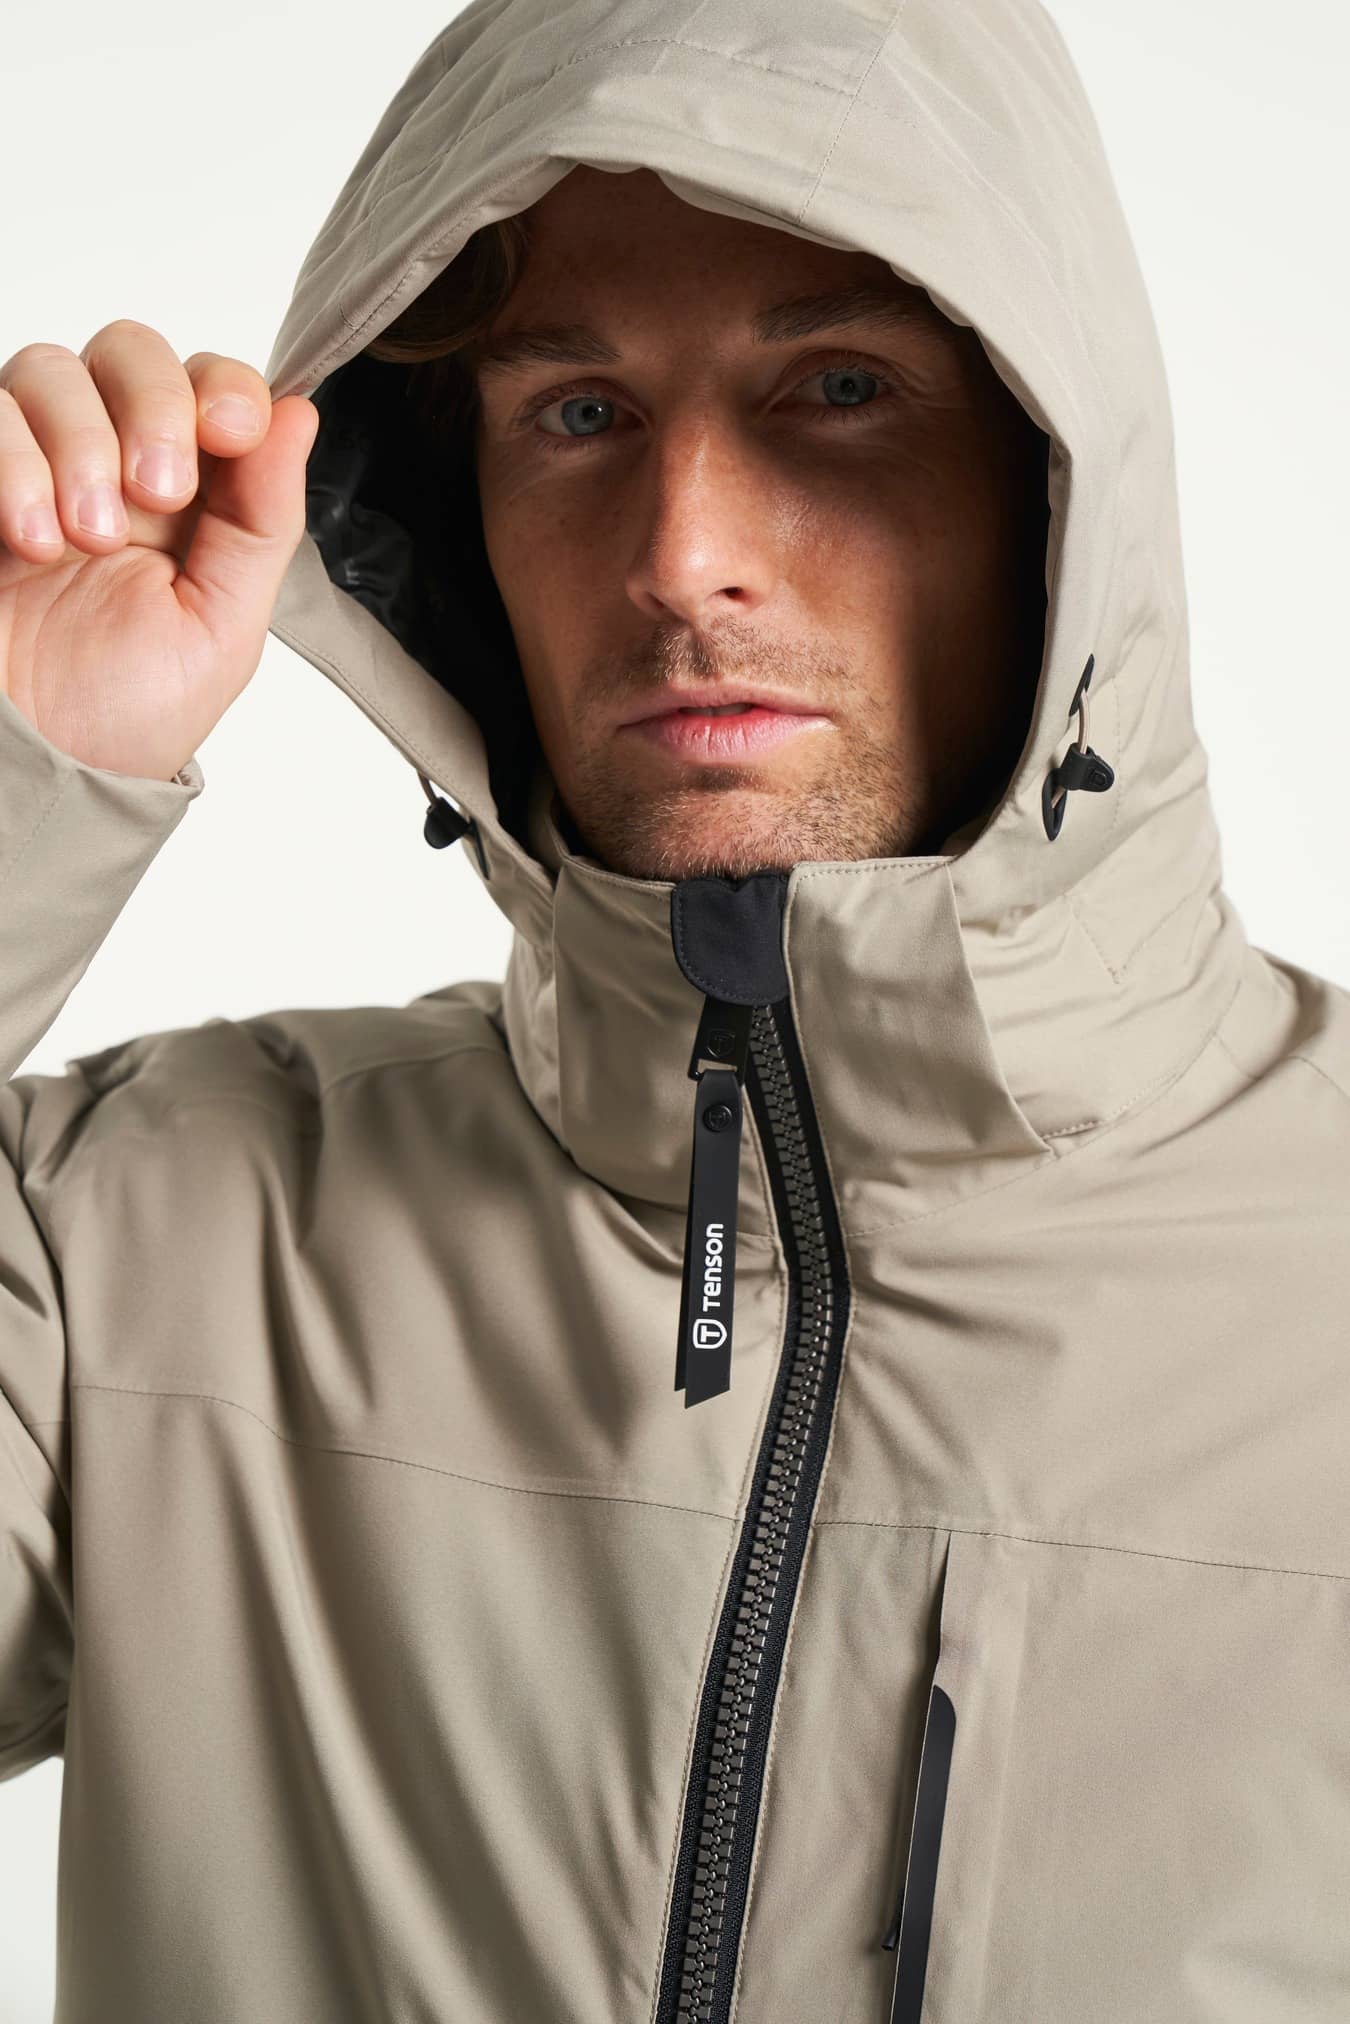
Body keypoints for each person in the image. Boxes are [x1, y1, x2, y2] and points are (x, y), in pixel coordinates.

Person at [1, 1, 1346, 2019]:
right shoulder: (142, 1247)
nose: (683, 557)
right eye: (576, 413)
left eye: (839, 389)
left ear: (1059, 494)